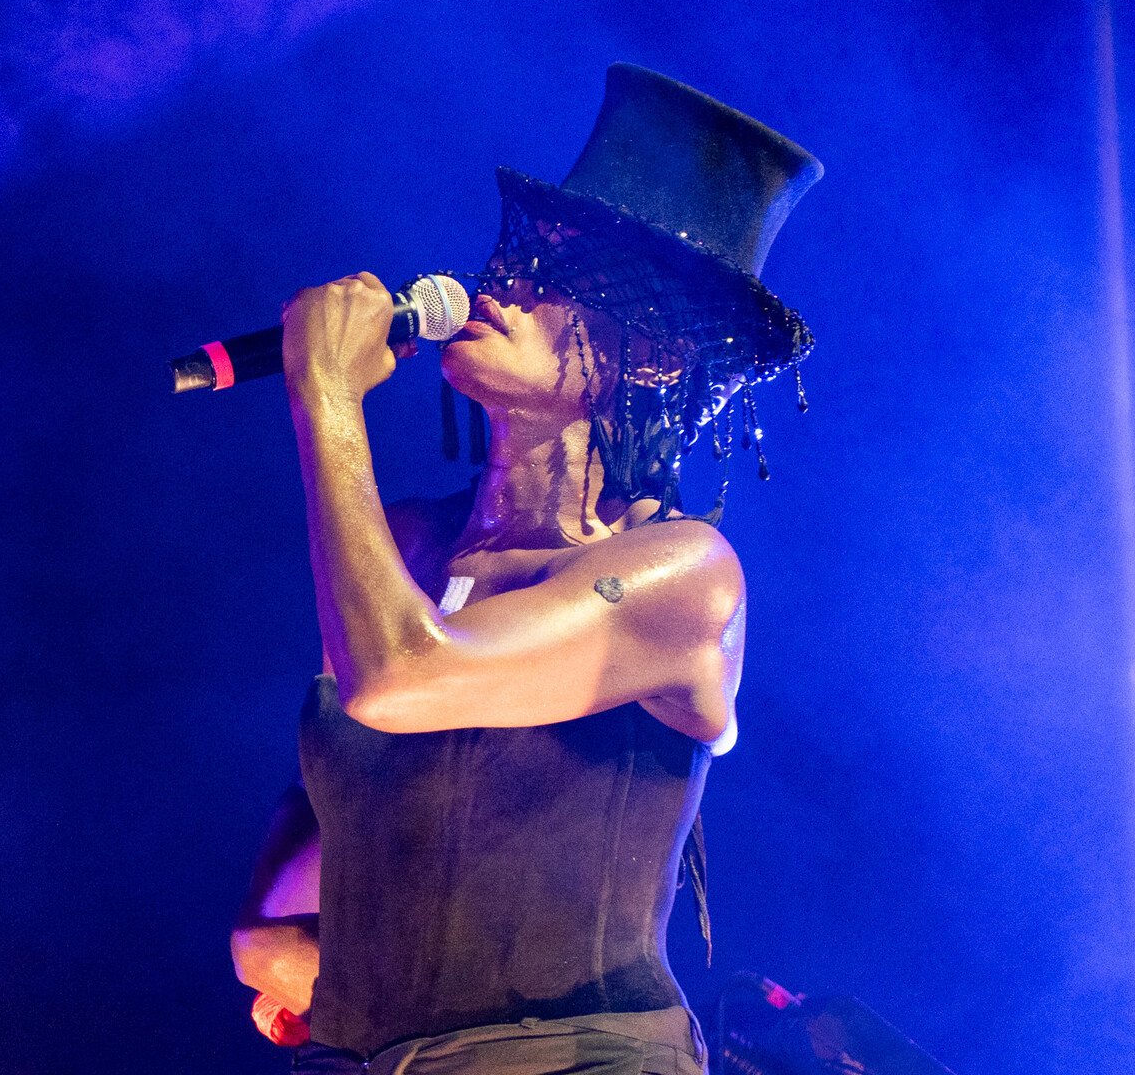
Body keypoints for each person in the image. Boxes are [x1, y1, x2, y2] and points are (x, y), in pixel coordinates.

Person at [228, 64, 824, 1075]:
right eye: (517, 255)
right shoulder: (406, 543)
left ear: (658, 358)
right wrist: (307, 952)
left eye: (562, 276)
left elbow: (402, 674)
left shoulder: (682, 577)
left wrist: (325, 399)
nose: (504, 284)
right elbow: (303, 874)